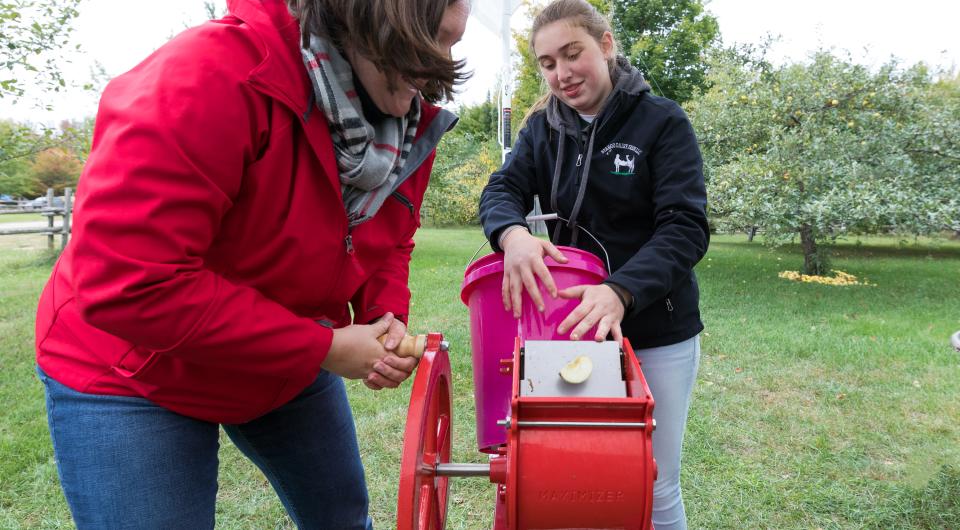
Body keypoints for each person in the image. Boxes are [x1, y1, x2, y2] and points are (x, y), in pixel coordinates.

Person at [34, 0, 469, 528]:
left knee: (342, 518)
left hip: (287, 353)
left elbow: (391, 236)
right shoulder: (208, 77)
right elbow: (129, 282)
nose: (443, 68)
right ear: (379, 17)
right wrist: (323, 347)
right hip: (134, 367)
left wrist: (384, 313)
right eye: (435, 42)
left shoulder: (405, 126)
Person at [478, 1, 708, 528]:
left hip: (656, 329)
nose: (561, 73)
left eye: (572, 53)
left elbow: (685, 227)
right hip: (570, 330)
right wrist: (512, 234)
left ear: (605, 46)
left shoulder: (662, 122)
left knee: (652, 481)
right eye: (547, 62)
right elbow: (503, 188)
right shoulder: (542, 129)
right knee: (573, 476)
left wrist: (621, 290)